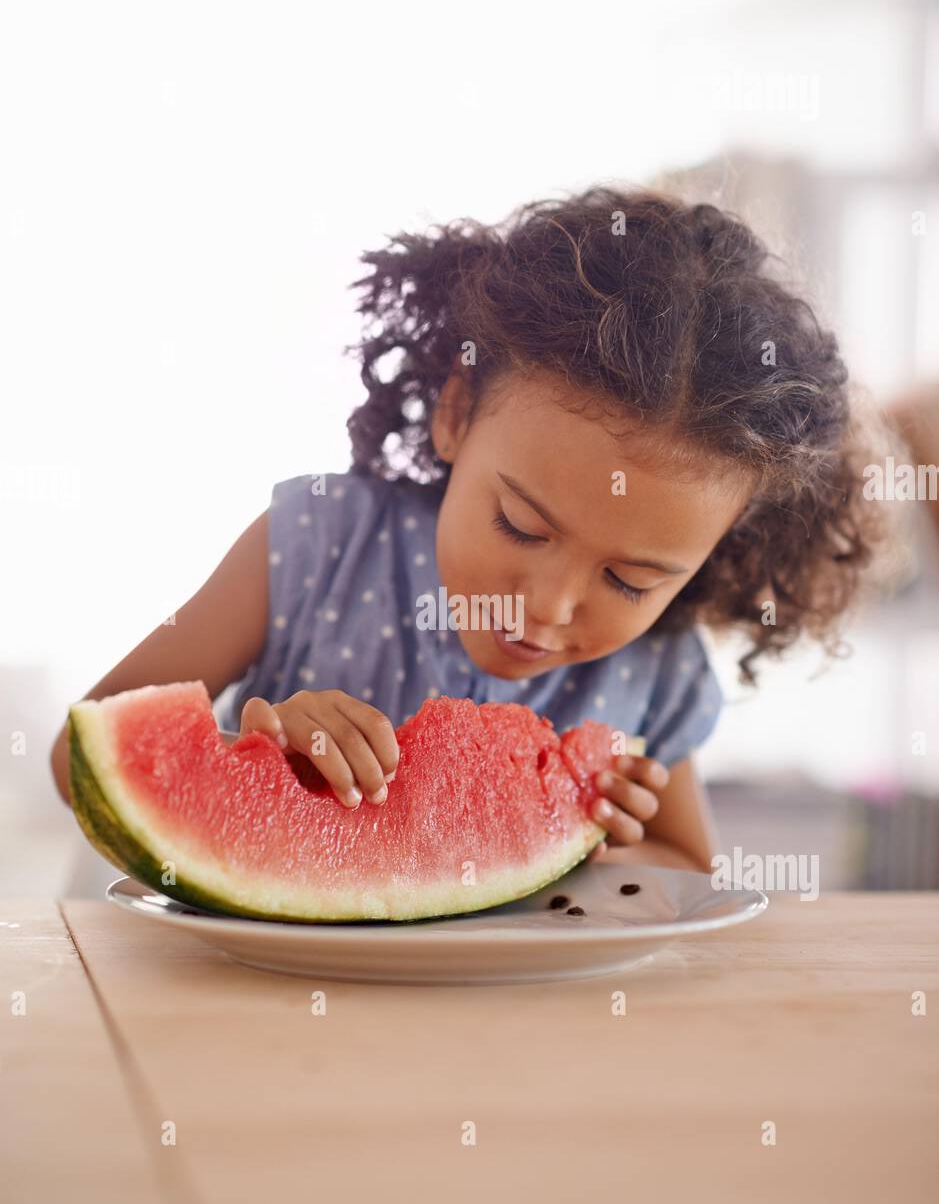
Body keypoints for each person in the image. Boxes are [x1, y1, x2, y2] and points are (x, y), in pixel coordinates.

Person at [50, 186, 884, 872]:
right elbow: (83, 752)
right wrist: (255, 755)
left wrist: (602, 844)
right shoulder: (317, 543)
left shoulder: (656, 666)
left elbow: (683, 871)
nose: (549, 606)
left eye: (630, 581)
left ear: (716, 550)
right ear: (455, 416)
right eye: (521, 526)